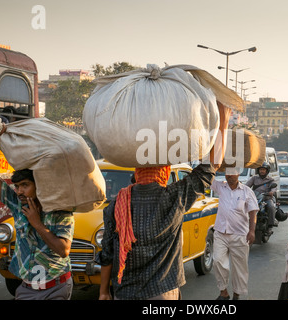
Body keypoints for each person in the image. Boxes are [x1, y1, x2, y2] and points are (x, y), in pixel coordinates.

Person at [97, 102, 231, 300]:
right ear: (164, 172)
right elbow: (212, 166)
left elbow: (107, 253)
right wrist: (223, 121)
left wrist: (103, 292)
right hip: (162, 292)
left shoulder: (118, 203)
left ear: (137, 171)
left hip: (125, 292)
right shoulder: (173, 197)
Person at [0, 124, 75, 300]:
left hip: (56, 288)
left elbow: (63, 250)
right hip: (27, 288)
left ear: (39, 184)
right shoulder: (17, 204)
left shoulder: (60, 210)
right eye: (17, 186)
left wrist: (37, 224)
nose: (19, 191)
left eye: (25, 185)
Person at [211, 167, 259, 300]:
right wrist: (213, 165)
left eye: (232, 174)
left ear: (238, 174)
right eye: (227, 174)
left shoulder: (247, 192)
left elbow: (253, 212)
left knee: (240, 268)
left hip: (239, 235)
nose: (229, 176)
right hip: (221, 233)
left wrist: (252, 231)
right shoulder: (221, 187)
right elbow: (208, 178)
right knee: (218, 261)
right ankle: (223, 292)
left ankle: (237, 295)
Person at [245, 162, 277, 229]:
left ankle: (271, 223)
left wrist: (271, 192)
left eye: (263, 170)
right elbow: (247, 186)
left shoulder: (270, 180)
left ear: (267, 171)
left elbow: (274, 187)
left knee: (271, 206)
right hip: (255, 198)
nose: (262, 171)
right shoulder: (254, 178)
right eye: (260, 170)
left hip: (266, 198)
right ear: (258, 170)